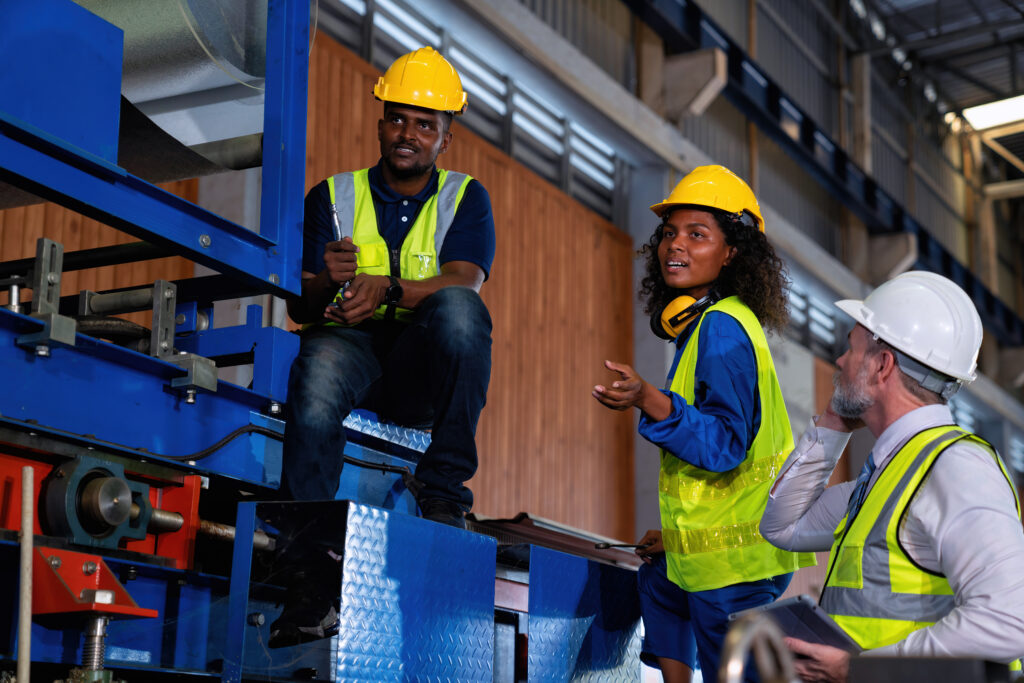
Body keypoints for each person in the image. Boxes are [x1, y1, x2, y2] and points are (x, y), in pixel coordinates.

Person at [269, 47, 495, 647]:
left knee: (463, 311)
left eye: (426, 125)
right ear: (379, 122)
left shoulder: (465, 197)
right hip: (350, 346)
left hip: (420, 363)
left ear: (445, 140)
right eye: (399, 118)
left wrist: (389, 287)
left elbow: (462, 280)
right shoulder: (333, 196)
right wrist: (326, 280)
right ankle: (311, 576)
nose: (409, 133)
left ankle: (445, 492)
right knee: (315, 379)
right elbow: (301, 305)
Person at [592, 165, 814, 682]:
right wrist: (677, 538)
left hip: (733, 572)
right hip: (718, 557)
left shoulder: (720, 330)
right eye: (670, 233)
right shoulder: (708, 325)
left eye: (698, 235)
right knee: (657, 583)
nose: (676, 246)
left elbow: (725, 446)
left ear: (732, 252)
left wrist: (650, 398)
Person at [760, 271, 1024, 682]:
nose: (840, 361)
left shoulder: (955, 467)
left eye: (851, 348)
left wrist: (863, 669)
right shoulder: (891, 475)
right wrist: (830, 425)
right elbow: (783, 527)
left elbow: (1009, 619)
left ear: (882, 365)